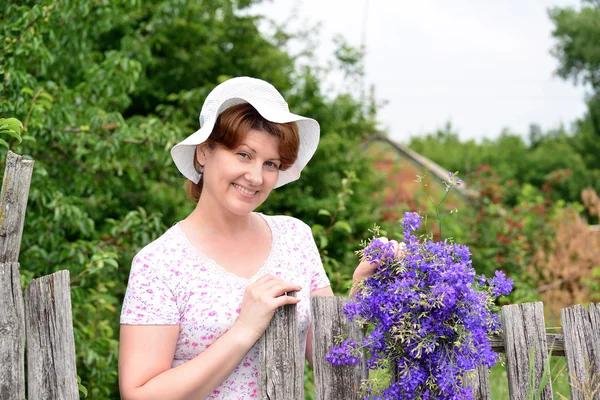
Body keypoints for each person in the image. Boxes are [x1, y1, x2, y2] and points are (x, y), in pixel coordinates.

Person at [118, 77, 397, 400]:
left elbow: (333, 362)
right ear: (205, 152)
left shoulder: (295, 237)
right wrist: (244, 330)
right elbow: (139, 394)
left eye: (271, 164)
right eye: (243, 155)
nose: (256, 177)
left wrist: (362, 286)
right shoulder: (160, 263)